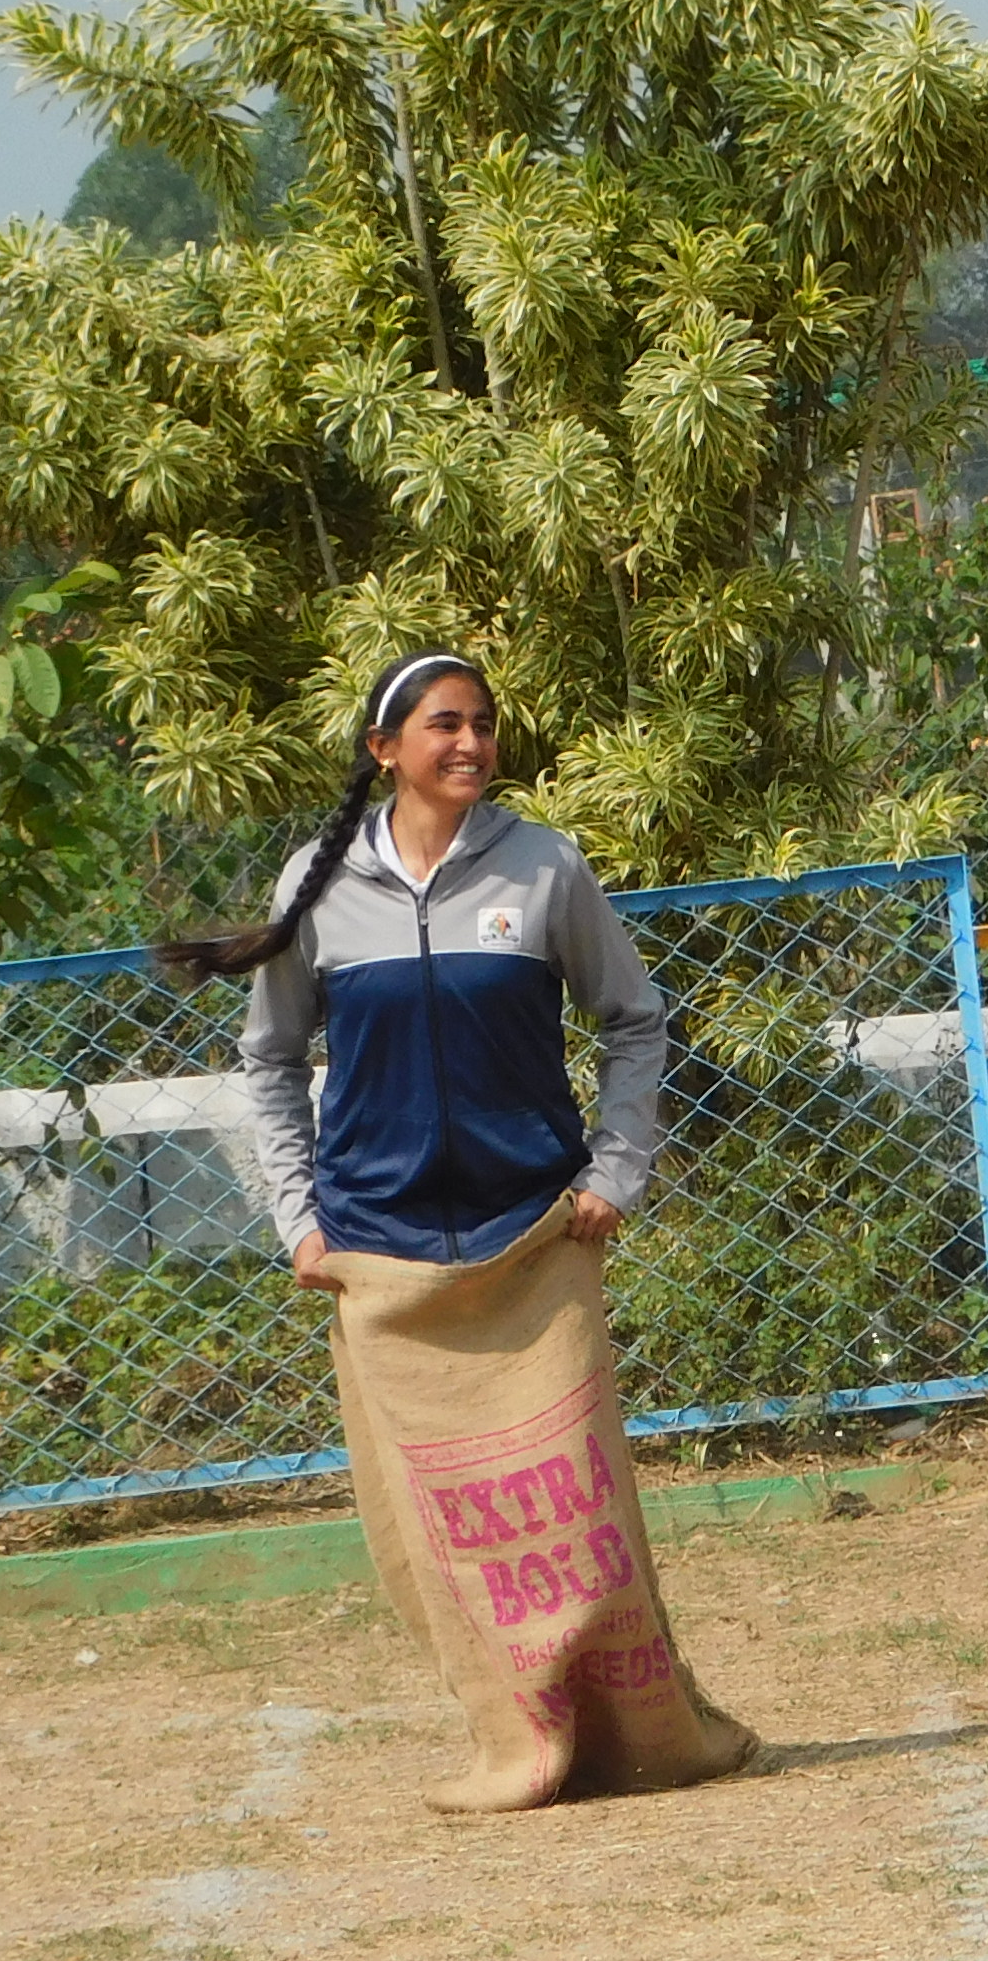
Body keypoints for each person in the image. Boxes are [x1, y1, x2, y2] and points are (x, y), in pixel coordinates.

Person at [171, 654, 756, 1810]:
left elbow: (634, 1021)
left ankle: (643, 1729)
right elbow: (272, 1060)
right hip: (380, 1256)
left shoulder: (545, 868)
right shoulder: (319, 881)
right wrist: (299, 1218)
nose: (472, 745)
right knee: (445, 1531)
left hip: (537, 1243)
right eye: (445, 726)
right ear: (385, 748)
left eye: (484, 726)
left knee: (577, 1515)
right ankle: (515, 1743)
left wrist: (615, 1173)